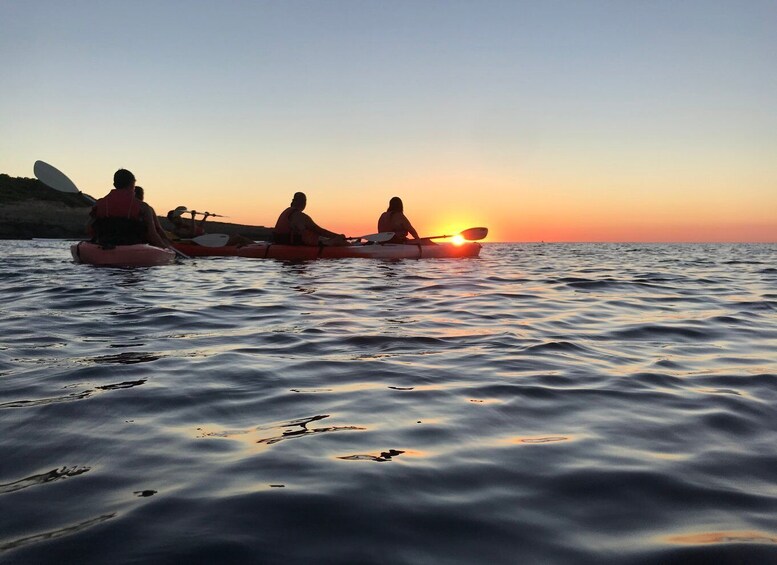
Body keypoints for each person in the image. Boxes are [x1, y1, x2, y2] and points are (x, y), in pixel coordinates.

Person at [88, 169, 170, 249]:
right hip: (134, 246)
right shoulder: (143, 207)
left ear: (114, 184)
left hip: (105, 243)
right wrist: (166, 248)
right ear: (132, 184)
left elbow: (88, 228)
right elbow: (152, 234)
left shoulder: (99, 204)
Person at [274, 192, 347, 246]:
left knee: (324, 239)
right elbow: (320, 231)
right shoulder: (300, 216)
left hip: (280, 243)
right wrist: (338, 236)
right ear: (303, 203)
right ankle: (353, 245)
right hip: (297, 245)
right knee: (338, 241)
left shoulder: (286, 212)